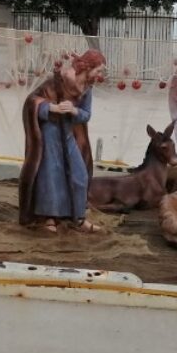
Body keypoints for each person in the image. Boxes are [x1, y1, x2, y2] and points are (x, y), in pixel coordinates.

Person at [18, 48, 106, 233]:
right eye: (98, 70)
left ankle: (78, 218)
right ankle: (49, 217)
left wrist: (74, 111)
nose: (100, 74)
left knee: (80, 175)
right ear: (88, 66)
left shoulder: (87, 89)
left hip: (68, 135)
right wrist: (51, 108)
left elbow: (86, 115)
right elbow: (31, 101)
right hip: (49, 135)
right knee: (51, 176)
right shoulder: (58, 81)